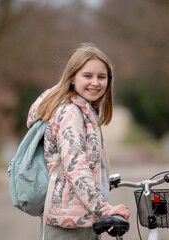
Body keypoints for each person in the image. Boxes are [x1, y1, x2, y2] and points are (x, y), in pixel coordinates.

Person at [26, 43, 130, 240]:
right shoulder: (70, 112)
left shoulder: (84, 111)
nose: (95, 82)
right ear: (72, 78)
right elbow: (76, 168)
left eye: (102, 77)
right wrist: (104, 208)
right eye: (87, 76)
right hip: (69, 226)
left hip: (83, 219)